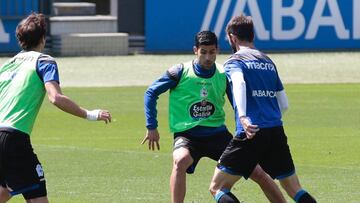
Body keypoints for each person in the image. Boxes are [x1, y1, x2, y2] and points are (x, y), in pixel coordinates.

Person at [141, 31, 286, 203]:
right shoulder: (179, 72)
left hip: (218, 135)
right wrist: (151, 126)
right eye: (203, 52)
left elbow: (239, 105)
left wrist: (247, 125)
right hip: (187, 135)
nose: (208, 57)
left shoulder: (224, 73)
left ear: (217, 50)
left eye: (212, 52)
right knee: (180, 161)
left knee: (258, 172)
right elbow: (151, 92)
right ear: (195, 50)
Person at [0, 13, 111, 203]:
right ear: (43, 38)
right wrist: (90, 114)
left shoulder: (6, 66)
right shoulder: (44, 61)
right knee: (37, 197)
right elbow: (55, 97)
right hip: (14, 137)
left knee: (6, 189)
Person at [208, 15, 317, 203]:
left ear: (232, 37)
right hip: (275, 131)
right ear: (252, 35)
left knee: (218, 187)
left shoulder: (234, 61)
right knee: (294, 189)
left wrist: (243, 116)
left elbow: (239, 83)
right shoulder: (268, 61)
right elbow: (284, 104)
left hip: (250, 131)